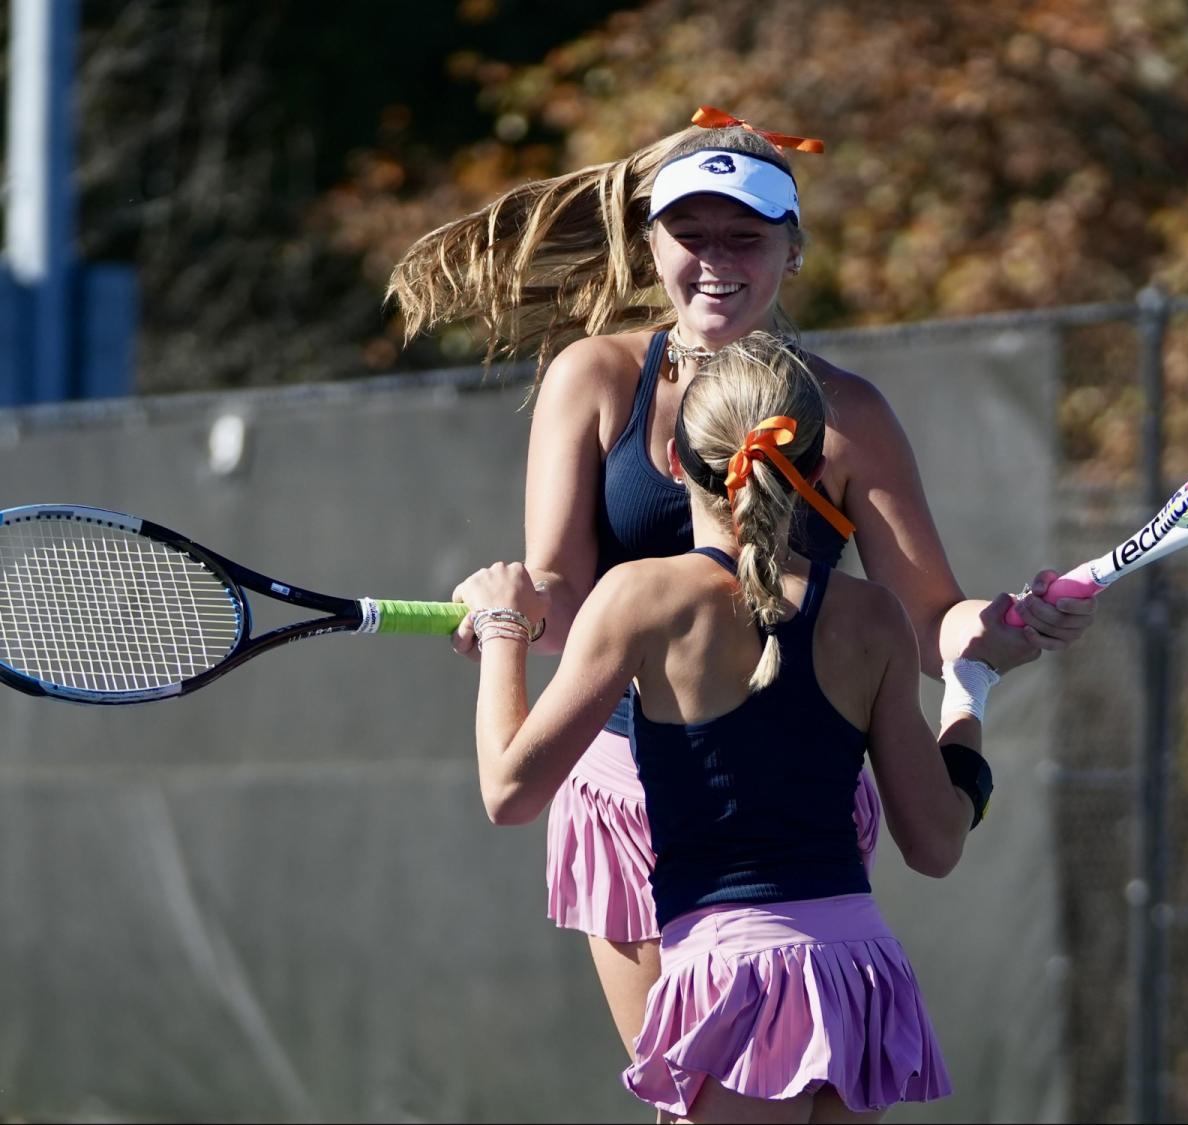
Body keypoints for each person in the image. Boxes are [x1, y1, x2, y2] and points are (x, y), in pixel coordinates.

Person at [391, 105, 1095, 1056]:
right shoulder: (593, 376)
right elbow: (563, 599)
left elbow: (933, 621)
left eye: (745, 235)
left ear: (791, 250)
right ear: (652, 244)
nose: (716, 257)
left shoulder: (849, 411)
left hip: (791, 794)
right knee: (684, 1082)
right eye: (692, 232)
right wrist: (515, 615)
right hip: (625, 790)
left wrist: (999, 625)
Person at [452, 333, 1008, 1122]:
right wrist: (970, 695)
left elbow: (509, 789)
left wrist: (503, 628)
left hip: (732, 985)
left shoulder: (638, 598)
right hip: (860, 977)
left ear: (675, 464)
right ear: (816, 475)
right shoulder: (874, 619)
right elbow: (938, 841)